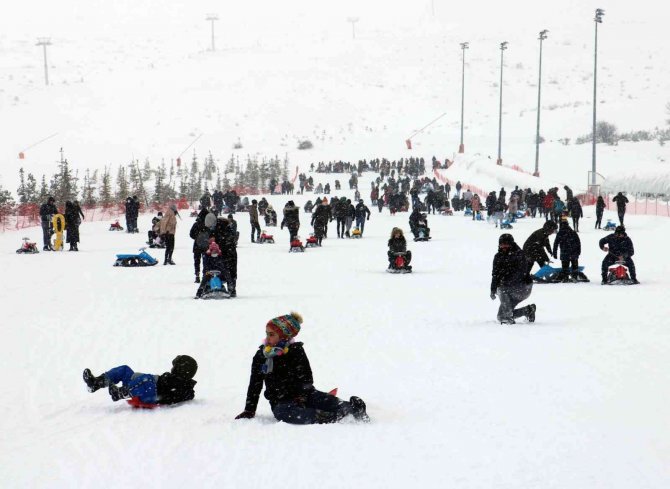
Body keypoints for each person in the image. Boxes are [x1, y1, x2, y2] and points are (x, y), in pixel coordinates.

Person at [235, 312, 369, 424]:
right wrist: (249, 409)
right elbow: (255, 383)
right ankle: (327, 416)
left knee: (324, 399)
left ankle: (351, 409)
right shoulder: (261, 356)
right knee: (286, 414)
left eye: (271, 334)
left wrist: (302, 395)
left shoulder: (296, 350)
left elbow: (306, 376)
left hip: (304, 395)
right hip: (281, 402)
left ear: (284, 336)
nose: (267, 338)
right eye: (267, 333)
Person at [82, 355, 197, 406]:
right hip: (144, 388)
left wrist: (161, 398)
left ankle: (120, 393)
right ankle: (96, 383)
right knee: (124, 370)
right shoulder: (171, 378)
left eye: (175, 367)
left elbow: (173, 397)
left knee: (147, 379)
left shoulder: (186, 389)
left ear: (181, 370)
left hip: (152, 396)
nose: (172, 369)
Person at [490, 234, 536, 325]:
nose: (504, 247)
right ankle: (528, 310)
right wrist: (492, 289)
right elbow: (495, 274)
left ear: (511, 244)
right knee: (500, 316)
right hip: (508, 289)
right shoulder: (498, 257)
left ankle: (508, 317)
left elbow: (521, 273)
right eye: (502, 244)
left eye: (506, 244)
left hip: (523, 287)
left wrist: (505, 281)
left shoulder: (519, 254)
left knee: (502, 289)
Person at [189, 208, 211, 283]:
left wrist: (197, 238)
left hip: (197, 246)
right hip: (206, 246)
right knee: (206, 261)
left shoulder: (196, 224)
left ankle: (197, 275)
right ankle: (205, 275)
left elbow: (191, 234)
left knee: (197, 261)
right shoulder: (208, 224)